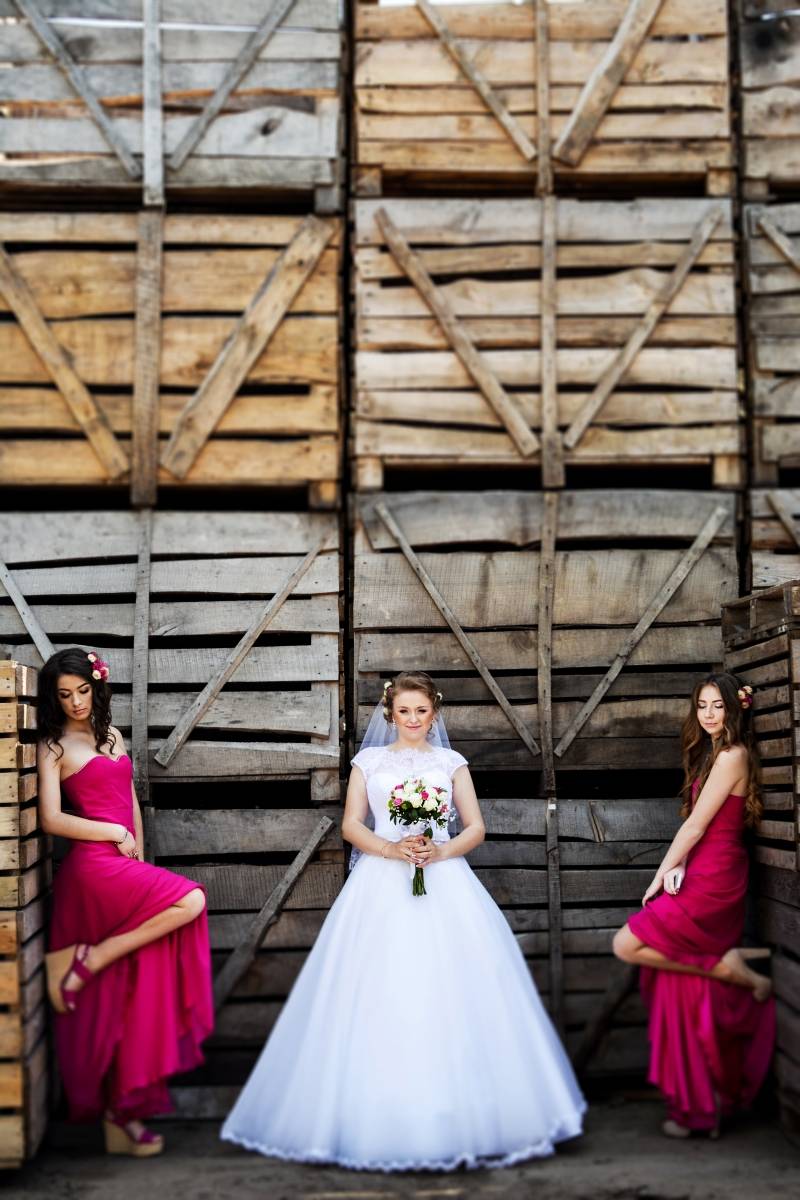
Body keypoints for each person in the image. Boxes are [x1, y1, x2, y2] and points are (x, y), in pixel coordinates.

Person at [221, 670, 585, 1170]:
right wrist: (392, 849)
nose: (413, 719)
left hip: (444, 877)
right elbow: (351, 824)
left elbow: (475, 827)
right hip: (381, 880)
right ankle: (375, 1116)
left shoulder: (451, 763)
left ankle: (466, 1115)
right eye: (404, 711)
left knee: (453, 988)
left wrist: (440, 851)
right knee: (380, 987)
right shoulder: (368, 762)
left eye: (422, 711)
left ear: (434, 713)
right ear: (390, 714)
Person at [38, 647, 214, 1157]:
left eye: (82, 690)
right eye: (65, 694)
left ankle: (123, 1115)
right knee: (191, 901)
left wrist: (138, 850)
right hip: (92, 869)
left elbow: (130, 800)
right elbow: (51, 819)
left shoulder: (112, 735)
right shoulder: (53, 746)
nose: (76, 702)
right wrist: (112, 833)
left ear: (96, 688)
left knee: (132, 989)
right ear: (54, 698)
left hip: (125, 867)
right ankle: (87, 960)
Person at [613, 672, 775, 1138]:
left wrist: (660, 874)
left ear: (736, 709)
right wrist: (681, 863)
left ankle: (736, 973)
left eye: (718, 705)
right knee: (682, 985)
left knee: (627, 944)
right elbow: (700, 824)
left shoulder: (732, 755)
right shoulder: (711, 752)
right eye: (702, 705)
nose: (708, 714)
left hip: (716, 873)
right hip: (704, 865)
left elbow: (697, 826)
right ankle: (699, 1106)